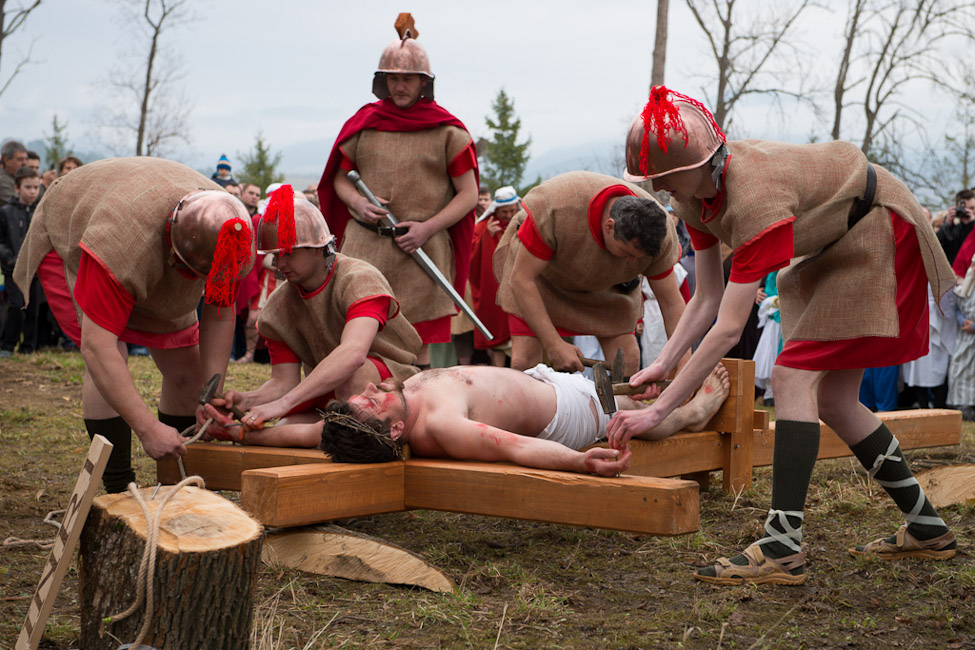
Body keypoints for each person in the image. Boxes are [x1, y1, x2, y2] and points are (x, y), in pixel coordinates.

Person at [609, 87, 958, 585]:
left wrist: (659, 410)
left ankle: (782, 546)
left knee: (792, 377)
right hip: (836, 238)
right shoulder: (694, 200)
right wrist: (664, 363)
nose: (660, 189)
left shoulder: (755, 196)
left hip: (880, 227)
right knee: (835, 400)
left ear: (702, 163)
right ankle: (926, 527)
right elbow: (706, 297)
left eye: (666, 177)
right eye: (652, 180)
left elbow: (729, 327)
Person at [13, 157, 254, 493]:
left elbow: (220, 313)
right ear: (176, 256)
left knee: (186, 367)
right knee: (113, 354)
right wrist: (147, 429)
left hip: (154, 237)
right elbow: (99, 348)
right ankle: (118, 488)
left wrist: (210, 396)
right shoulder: (120, 244)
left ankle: (176, 487)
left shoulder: (230, 230)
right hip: (83, 230)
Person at [203, 187, 422, 447]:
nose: (280, 263)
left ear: (319, 247)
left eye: (289, 252)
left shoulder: (359, 279)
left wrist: (282, 404)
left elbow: (353, 354)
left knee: (352, 377)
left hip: (391, 386)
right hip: (329, 393)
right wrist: (247, 401)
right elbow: (284, 382)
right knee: (285, 427)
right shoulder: (277, 308)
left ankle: (345, 438)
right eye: (276, 255)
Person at [318, 13, 478, 367]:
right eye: (393, 78)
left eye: (407, 78)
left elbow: (468, 195)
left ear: (424, 81)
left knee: (423, 348)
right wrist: (357, 202)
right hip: (366, 248)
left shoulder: (449, 133)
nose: (400, 86)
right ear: (382, 81)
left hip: (423, 250)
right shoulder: (364, 125)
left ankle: (422, 399)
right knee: (361, 337)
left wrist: (427, 228)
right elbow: (339, 178)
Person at [257, 363, 730, 471]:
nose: (368, 389)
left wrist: (243, 432)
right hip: (568, 413)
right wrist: (578, 461)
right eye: (371, 402)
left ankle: (660, 398)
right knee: (634, 415)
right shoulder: (440, 424)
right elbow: (515, 448)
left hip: (541, 380)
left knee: (632, 392)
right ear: (395, 430)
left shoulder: (367, 421)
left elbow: (306, 434)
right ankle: (691, 415)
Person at [494, 171, 685, 376]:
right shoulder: (554, 209)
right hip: (543, 281)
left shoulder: (661, 232)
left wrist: (685, 369)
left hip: (612, 289)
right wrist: (554, 344)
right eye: (628, 253)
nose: (633, 262)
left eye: (640, 258)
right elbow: (521, 280)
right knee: (524, 362)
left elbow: (671, 304)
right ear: (609, 226)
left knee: (628, 361)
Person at [470, 185, 521, 366]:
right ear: (496, 210)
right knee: (498, 338)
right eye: (504, 212)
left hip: (518, 284)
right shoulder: (483, 226)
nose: (509, 215)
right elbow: (470, 257)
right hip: (494, 289)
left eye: (512, 211)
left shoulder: (521, 222)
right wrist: (486, 236)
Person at [0, 167, 42, 357]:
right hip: (13, 270)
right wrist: (9, 259)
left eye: (36, 187)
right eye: (28, 187)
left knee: (33, 309)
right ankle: (8, 345)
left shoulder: (40, 212)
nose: (33, 192)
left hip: (35, 270)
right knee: (16, 307)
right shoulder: (5, 212)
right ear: (17, 188)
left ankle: (28, 347)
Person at [0, 140, 28, 204]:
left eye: (26, 159)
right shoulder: (2, 180)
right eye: (20, 159)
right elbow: (20, 203)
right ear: (6, 160)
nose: (25, 163)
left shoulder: (17, 177)